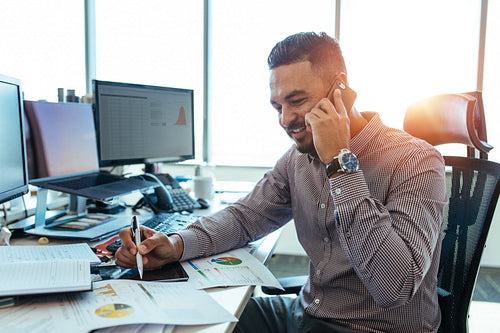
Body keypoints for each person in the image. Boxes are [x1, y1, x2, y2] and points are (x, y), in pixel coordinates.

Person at [115, 32, 447, 333]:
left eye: (297, 101)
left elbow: (396, 286)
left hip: (372, 328)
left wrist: (339, 162)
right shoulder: (296, 159)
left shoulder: (416, 160)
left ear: (339, 89)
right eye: (277, 106)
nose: (285, 119)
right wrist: (176, 244)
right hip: (306, 313)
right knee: (190, 323)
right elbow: (245, 218)